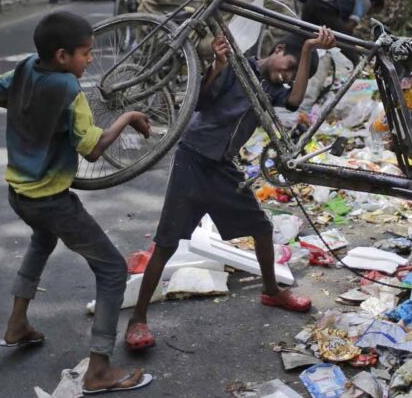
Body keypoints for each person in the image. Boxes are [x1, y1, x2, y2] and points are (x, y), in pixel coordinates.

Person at [124, 28, 337, 351]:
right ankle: (137, 320)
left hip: (222, 166)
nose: (287, 74)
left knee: (261, 228)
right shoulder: (238, 66)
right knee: (166, 242)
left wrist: (307, 48)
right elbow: (201, 101)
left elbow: (294, 101)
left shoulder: (271, 87)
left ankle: (270, 290)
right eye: (289, 64)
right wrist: (217, 67)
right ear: (277, 49)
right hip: (193, 159)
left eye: (294, 71)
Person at [0, 11, 155, 395]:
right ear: (62, 56)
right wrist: (127, 116)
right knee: (112, 270)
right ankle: (98, 370)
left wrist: (27, 108)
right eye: (85, 53)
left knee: (41, 242)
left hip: (19, 193)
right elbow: (92, 149)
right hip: (50, 199)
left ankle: (17, 325)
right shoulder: (68, 90)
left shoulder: (26, 67)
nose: (90, 60)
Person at [302, 0, 384, 62]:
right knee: (344, 38)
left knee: (304, 34)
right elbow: (350, 25)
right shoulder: (365, 1)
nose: (370, 13)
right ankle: (357, 64)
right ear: (373, 4)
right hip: (324, 3)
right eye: (374, 11)